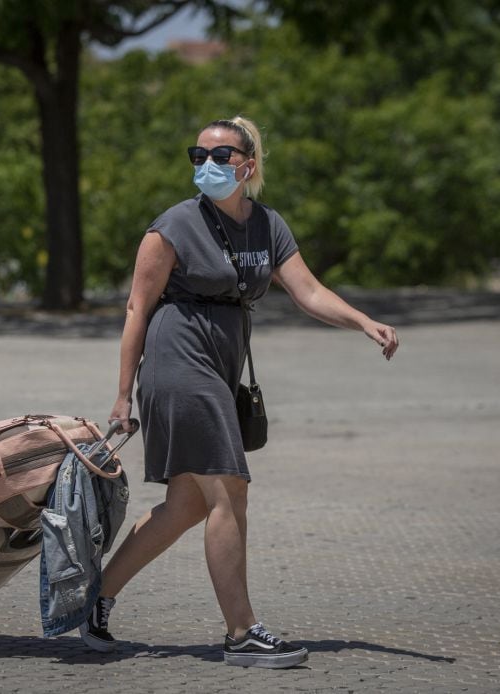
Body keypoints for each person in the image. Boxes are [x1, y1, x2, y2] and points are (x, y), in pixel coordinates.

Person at [83, 115, 399, 669]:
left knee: (184, 506)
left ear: (248, 164)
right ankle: (242, 632)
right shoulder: (171, 228)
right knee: (231, 488)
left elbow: (309, 291)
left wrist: (363, 322)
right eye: (198, 156)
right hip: (178, 361)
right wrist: (122, 394)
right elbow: (137, 308)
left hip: (220, 366)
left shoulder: (268, 225)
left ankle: (95, 599)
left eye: (221, 156)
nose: (207, 165)